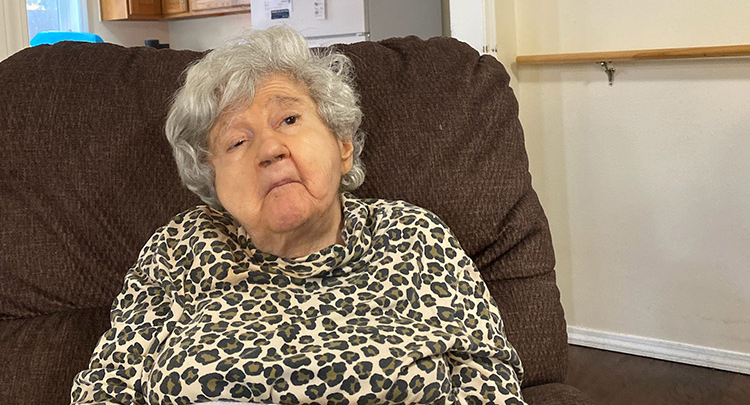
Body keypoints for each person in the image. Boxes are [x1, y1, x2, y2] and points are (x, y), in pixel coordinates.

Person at [71, 26, 526, 405]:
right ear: (213, 182)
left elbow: (490, 379)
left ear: (343, 145)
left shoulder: (415, 235)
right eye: (236, 141)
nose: (270, 149)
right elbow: (105, 390)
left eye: (289, 119)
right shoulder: (180, 248)